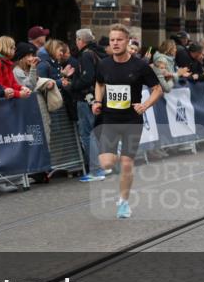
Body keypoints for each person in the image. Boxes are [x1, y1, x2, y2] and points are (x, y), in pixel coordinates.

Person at [92, 24, 163, 219]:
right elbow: (99, 83)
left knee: (126, 164)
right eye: (112, 40)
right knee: (107, 163)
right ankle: (113, 155)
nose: (115, 43)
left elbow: (157, 89)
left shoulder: (139, 66)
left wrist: (145, 105)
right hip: (109, 119)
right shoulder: (104, 64)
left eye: (119, 40)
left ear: (127, 41)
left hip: (132, 120)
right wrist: (98, 101)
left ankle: (123, 202)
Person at [68, 28, 109, 181]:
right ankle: (103, 166)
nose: (76, 43)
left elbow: (87, 78)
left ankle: (96, 170)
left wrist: (71, 84)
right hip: (98, 97)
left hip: (87, 98)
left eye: (77, 40)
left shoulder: (85, 55)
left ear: (81, 40)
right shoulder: (98, 52)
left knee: (88, 134)